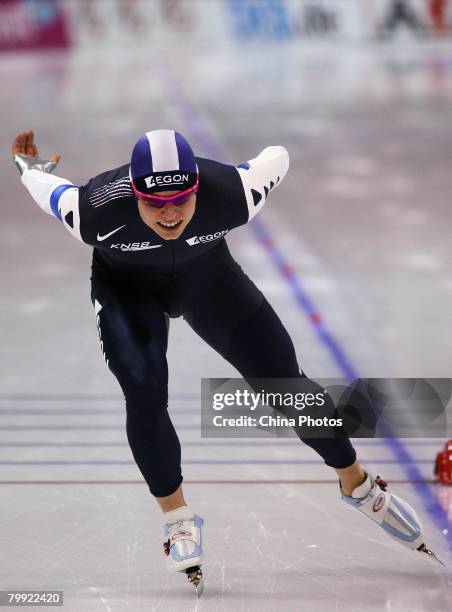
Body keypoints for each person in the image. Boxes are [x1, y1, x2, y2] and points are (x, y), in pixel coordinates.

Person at [12, 129, 440, 594]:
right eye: (154, 203)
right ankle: (177, 520)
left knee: (285, 385)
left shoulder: (234, 192)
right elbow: (48, 191)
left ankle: (358, 485)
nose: (170, 214)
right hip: (128, 290)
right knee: (144, 388)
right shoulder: (93, 209)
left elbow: (277, 156)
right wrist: (30, 169)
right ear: (133, 193)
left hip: (208, 281)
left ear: (197, 187)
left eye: (180, 199)